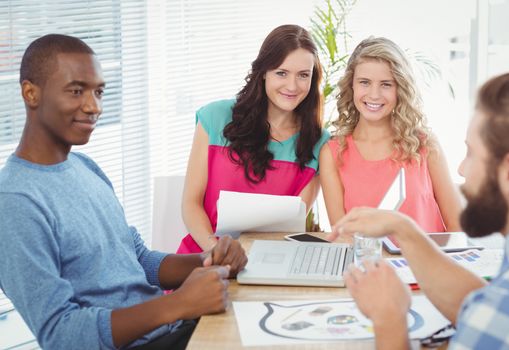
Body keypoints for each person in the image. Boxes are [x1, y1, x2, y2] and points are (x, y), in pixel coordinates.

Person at [0, 34, 247, 350]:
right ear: (30, 93)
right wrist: (178, 304)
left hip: (173, 330)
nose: (94, 107)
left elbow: (138, 261)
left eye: (99, 92)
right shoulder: (15, 202)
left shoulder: (86, 167)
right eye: (76, 91)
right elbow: (61, 334)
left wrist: (210, 261)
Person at [332, 72, 509, 349]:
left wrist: (389, 317)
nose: (461, 169)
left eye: (471, 154)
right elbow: (478, 304)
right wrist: (404, 229)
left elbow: (492, 314)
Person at [178, 24, 330, 253]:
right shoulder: (214, 118)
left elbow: (289, 227)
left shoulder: (318, 143)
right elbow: (191, 204)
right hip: (204, 256)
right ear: (263, 73)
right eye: (281, 73)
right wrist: (216, 251)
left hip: (271, 260)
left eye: (303, 75)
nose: (292, 86)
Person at [320, 37, 462, 232]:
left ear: (400, 89)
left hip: (425, 263)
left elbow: (458, 229)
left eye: (386, 84)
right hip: (368, 262)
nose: (374, 94)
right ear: (351, 85)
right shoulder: (333, 153)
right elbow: (342, 236)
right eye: (364, 82)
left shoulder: (425, 145)